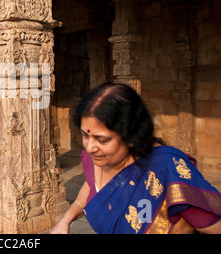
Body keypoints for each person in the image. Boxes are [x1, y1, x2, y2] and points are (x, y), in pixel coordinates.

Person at [50, 83, 221, 234]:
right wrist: (65, 221)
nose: (89, 147)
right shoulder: (93, 159)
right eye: (85, 135)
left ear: (132, 136)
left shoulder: (166, 168)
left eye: (102, 140)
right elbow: (90, 188)